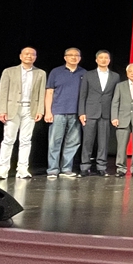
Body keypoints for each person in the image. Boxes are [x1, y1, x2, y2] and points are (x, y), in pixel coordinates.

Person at [0, 47, 46, 180]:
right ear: (21, 56)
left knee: (26, 140)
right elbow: (3, 92)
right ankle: (3, 169)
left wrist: (40, 110)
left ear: (35, 57)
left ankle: (23, 169)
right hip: (12, 108)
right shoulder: (9, 71)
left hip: (30, 109)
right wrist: (2, 110)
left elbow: (41, 93)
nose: (29, 56)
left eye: (32, 54)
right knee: (8, 139)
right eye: (26, 54)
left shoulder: (41, 73)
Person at [44, 47, 86, 179]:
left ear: (80, 58)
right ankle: (52, 170)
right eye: (70, 55)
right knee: (54, 142)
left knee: (73, 142)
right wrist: (48, 111)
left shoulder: (84, 73)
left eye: (77, 55)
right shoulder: (56, 72)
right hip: (58, 112)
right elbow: (49, 92)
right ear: (65, 57)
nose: (74, 57)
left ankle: (66, 169)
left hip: (76, 113)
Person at [78, 50, 120, 177]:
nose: (103, 60)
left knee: (104, 142)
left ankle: (101, 167)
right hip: (90, 112)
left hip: (106, 113)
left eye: (106, 58)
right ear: (96, 60)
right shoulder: (88, 75)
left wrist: (115, 114)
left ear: (109, 60)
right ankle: (85, 167)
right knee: (87, 141)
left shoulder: (115, 76)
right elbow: (83, 95)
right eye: (101, 57)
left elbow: (116, 97)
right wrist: (81, 112)